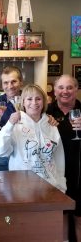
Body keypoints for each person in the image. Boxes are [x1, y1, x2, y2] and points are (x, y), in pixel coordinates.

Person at [0, 84, 66, 192]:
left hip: (50, 189)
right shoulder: (15, 124)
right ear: (23, 102)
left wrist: (61, 186)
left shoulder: (51, 125)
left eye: (38, 99)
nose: (34, 103)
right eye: (29, 99)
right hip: (21, 189)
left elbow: (59, 159)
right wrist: (9, 124)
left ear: (44, 102)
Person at [47, 74, 81, 242]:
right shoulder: (46, 112)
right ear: (54, 90)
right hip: (56, 173)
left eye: (69, 87)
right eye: (61, 87)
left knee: (79, 216)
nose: (65, 91)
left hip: (79, 173)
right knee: (59, 216)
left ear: (76, 89)